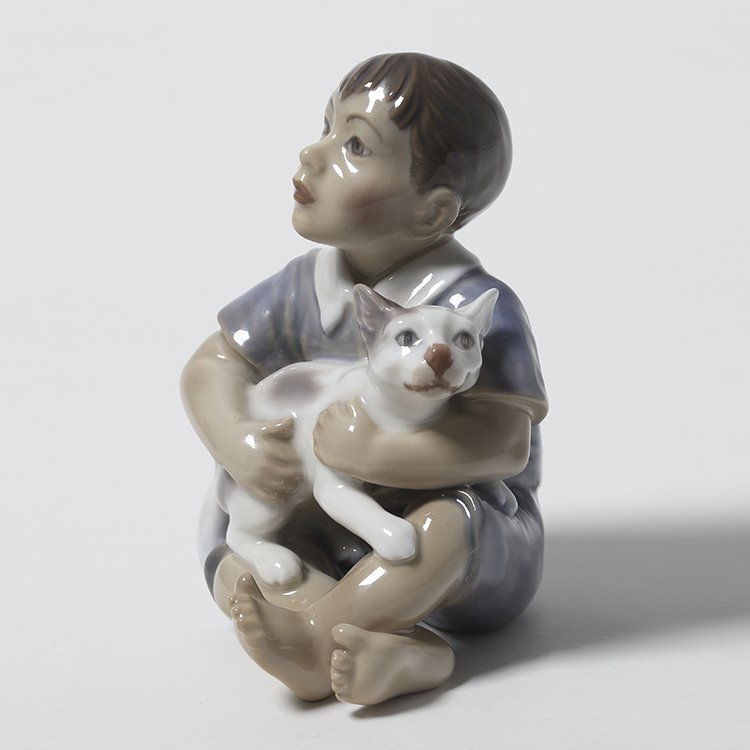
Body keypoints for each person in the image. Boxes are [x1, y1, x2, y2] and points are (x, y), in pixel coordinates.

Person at [181, 52, 547, 705]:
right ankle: (405, 652)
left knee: (444, 526)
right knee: (235, 560)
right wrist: (237, 439)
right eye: (326, 126)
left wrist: (374, 453)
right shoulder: (304, 285)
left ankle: (314, 641)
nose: (313, 153)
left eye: (354, 145)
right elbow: (212, 366)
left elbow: (505, 442)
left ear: (432, 213)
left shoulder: (472, 306)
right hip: (324, 532)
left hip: (464, 549)